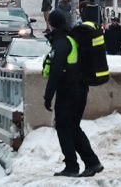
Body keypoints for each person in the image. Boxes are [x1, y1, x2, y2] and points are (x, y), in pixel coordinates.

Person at [43, 10, 103, 177]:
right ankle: (92, 162)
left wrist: (48, 96)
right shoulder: (70, 37)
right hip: (78, 89)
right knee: (72, 127)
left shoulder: (62, 42)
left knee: (63, 127)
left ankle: (72, 166)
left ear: (52, 23)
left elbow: (56, 71)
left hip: (69, 91)